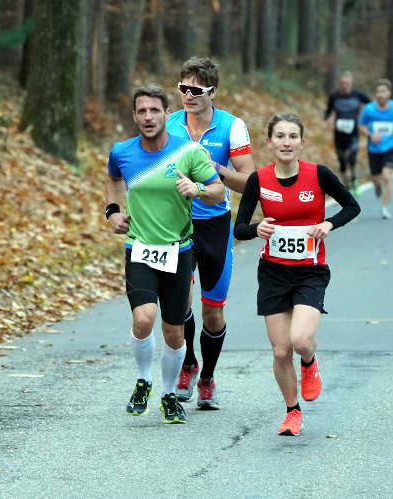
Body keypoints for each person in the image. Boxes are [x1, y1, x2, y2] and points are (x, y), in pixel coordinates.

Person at [233, 112, 360, 436]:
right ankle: (292, 412)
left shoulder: (319, 175)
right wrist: (256, 228)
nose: (286, 142)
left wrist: (329, 223)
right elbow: (240, 228)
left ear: (302, 142)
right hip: (273, 272)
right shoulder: (258, 180)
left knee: (301, 340)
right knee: (279, 350)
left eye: (293, 136)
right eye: (280, 136)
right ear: (270, 142)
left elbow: (351, 206)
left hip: (310, 271)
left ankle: (310, 362)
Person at [106, 84, 224, 424]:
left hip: (178, 251)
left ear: (166, 115)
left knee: (174, 333)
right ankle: (143, 380)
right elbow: (113, 178)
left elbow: (217, 192)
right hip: (139, 248)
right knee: (143, 319)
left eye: (154, 110)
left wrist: (197, 188)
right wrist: (112, 211)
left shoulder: (188, 153)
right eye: (141, 111)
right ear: (134, 116)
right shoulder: (122, 151)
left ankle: (169, 393)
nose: (147, 117)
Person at [166, 57, 255, 410]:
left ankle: (208, 378)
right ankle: (189, 363)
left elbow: (250, 181)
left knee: (212, 311)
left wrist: (214, 167)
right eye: (183, 88)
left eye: (196, 90)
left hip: (216, 225)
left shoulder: (232, 127)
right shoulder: (169, 125)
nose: (188, 95)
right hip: (175, 224)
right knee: (179, 303)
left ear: (213, 92)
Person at [358, 79, 393, 219]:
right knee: (376, 178)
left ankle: (384, 208)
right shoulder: (369, 109)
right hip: (373, 149)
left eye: (383, 91)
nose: (380, 94)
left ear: (389, 93)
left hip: (389, 148)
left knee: (387, 176)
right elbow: (361, 125)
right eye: (378, 92)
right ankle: (376, 186)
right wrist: (370, 134)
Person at [324, 71, 371, 193]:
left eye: (347, 82)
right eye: (343, 82)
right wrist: (328, 118)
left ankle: (354, 178)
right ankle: (347, 187)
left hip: (353, 133)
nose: (344, 85)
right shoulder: (334, 97)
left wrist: (363, 116)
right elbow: (327, 111)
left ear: (351, 82)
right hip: (339, 134)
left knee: (351, 158)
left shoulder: (357, 95)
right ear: (340, 83)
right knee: (342, 161)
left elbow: (371, 105)